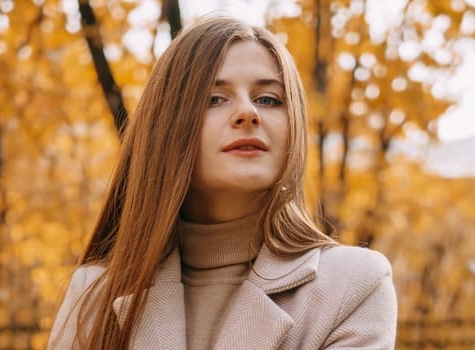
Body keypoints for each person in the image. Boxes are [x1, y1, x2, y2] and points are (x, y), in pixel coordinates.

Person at [47, 16, 397, 350]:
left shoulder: (353, 284)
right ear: (166, 126)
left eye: (268, 99)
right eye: (214, 99)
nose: (248, 113)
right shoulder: (94, 293)